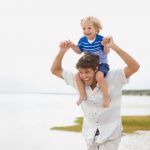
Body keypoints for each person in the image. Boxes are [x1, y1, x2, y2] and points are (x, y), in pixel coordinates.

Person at [51, 36, 140, 150]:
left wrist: (114, 47)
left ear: (96, 69)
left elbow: (135, 67)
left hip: (110, 137)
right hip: (90, 136)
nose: (84, 76)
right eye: (81, 72)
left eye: (87, 72)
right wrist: (62, 52)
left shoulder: (113, 78)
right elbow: (55, 70)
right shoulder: (78, 80)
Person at [69, 16, 110, 107]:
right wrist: (72, 46)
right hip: (88, 66)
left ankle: (106, 97)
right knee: (77, 76)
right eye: (84, 28)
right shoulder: (82, 40)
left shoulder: (101, 39)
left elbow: (106, 52)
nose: (86, 30)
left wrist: (106, 45)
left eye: (89, 28)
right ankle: (82, 95)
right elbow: (79, 51)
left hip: (101, 64)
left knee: (99, 76)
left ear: (96, 29)